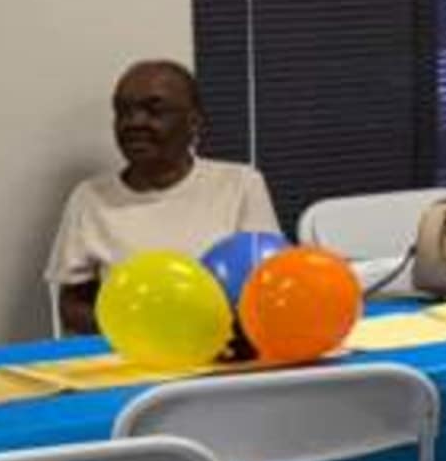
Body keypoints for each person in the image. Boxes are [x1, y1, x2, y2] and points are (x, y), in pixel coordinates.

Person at [49, 58, 277, 334]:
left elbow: (268, 283)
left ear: (194, 122)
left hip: (223, 351)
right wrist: (137, 331)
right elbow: (72, 305)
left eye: (154, 110)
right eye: (123, 111)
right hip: (131, 355)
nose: (135, 123)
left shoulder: (240, 185)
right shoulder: (90, 198)